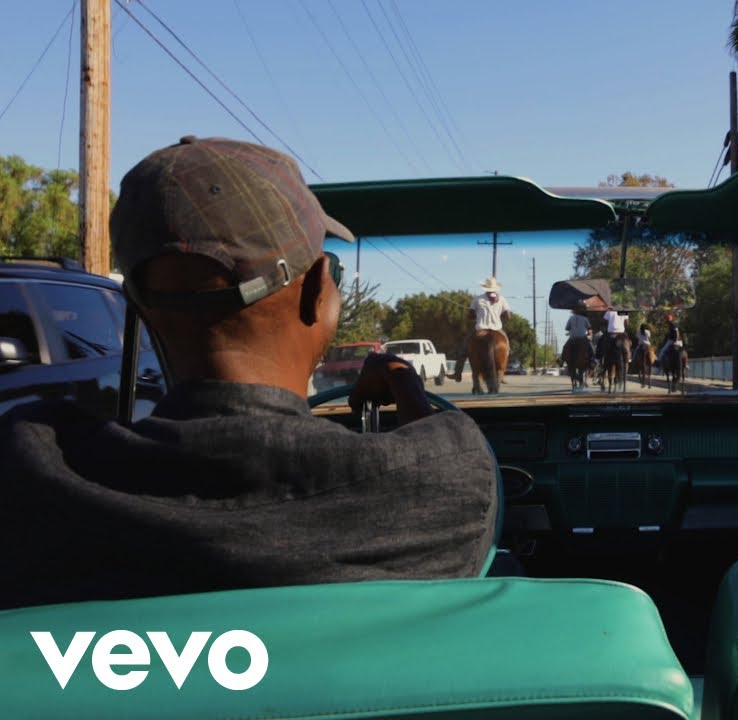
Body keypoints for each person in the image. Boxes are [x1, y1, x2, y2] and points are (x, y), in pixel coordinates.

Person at [0, 136, 498, 610]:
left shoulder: (26, 473)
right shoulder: (446, 475)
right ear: (317, 292)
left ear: (136, 307)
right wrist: (406, 387)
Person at [449, 276, 511, 382]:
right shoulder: (502, 299)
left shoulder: (477, 299)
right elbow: (508, 316)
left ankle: (457, 373)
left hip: (480, 328)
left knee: (463, 350)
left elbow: (471, 314)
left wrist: (474, 317)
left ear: (485, 288)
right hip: (497, 328)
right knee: (507, 348)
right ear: (496, 288)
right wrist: (499, 317)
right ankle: (502, 373)